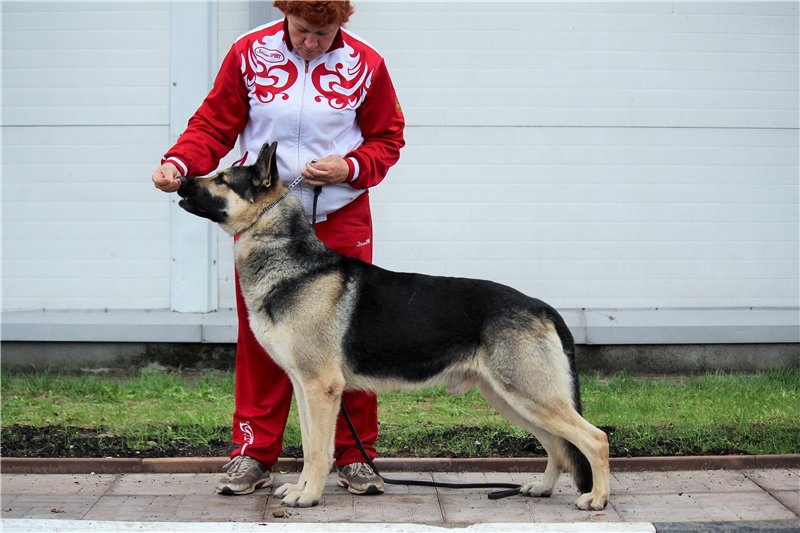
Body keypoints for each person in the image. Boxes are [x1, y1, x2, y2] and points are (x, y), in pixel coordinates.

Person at [151, 1, 404, 497]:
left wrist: (349, 167)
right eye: (304, 30)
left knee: (353, 336)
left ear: (342, 23)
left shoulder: (367, 64)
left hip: (339, 216)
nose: (313, 42)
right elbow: (213, 124)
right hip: (264, 223)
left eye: (325, 32)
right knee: (262, 338)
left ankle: (355, 457)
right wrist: (180, 163)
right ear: (285, 15)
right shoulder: (249, 53)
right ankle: (253, 453)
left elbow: (387, 139)